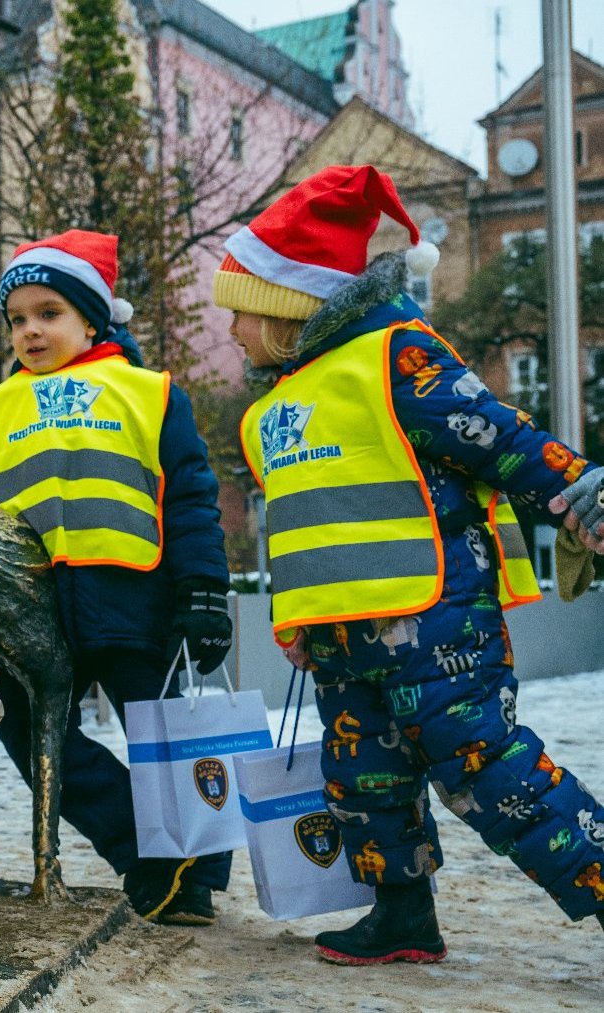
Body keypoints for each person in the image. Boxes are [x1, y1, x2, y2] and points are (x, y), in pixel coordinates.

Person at [217, 164, 604, 964]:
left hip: (436, 619)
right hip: (341, 637)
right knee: (363, 780)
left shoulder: (393, 357)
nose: (231, 333)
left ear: (289, 307)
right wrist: (296, 621)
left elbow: (494, 434)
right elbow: (299, 529)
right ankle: (402, 916)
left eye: (241, 313)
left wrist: (577, 488)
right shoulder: (272, 409)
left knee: (487, 771)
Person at [0, 230, 235, 926]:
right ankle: (143, 856)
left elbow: (190, 494)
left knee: (167, 743)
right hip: (31, 615)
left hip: (137, 603)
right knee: (32, 740)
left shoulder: (148, 394)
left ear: (93, 319)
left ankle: (192, 884)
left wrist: (202, 589)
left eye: (49, 312)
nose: (30, 330)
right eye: (17, 318)